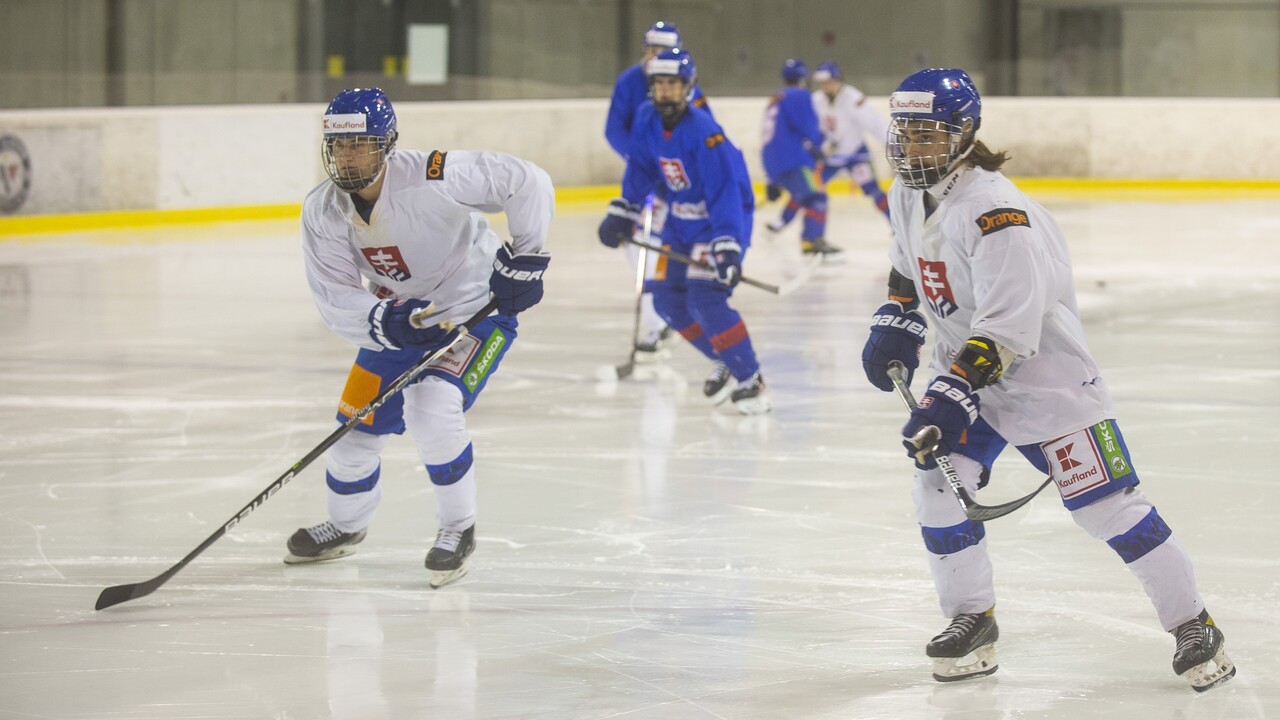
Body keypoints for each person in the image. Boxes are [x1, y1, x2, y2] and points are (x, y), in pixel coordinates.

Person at [860, 68, 1236, 692]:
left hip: (1046, 385)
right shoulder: (908, 192)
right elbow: (908, 264)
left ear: (963, 134)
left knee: (1109, 509)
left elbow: (1007, 330)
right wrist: (898, 315)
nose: (911, 147)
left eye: (927, 134)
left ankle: (1194, 624)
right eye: (905, 133)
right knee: (937, 487)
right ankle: (972, 620)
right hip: (966, 377)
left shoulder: (996, 214)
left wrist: (950, 394)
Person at [287, 87, 554, 589]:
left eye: (359, 144)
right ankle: (346, 525)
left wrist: (527, 258)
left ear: (386, 145)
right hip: (401, 324)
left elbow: (526, 180)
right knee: (353, 433)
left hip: (473, 314)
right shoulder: (323, 210)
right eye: (339, 146)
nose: (347, 157)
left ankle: (458, 528)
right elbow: (334, 294)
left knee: (432, 407)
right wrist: (384, 321)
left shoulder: (430, 174)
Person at [598, 48, 770, 415]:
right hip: (679, 224)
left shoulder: (705, 133)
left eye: (673, 84)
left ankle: (751, 378)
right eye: (659, 83)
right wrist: (625, 209)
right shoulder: (646, 118)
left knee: (705, 299)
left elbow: (726, 192)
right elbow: (642, 167)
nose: (666, 90)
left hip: (718, 224)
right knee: (667, 301)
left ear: (687, 87)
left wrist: (727, 245)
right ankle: (725, 357)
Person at [604, 21, 711, 362]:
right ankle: (660, 321)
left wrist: (670, 162)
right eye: (652, 49)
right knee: (636, 248)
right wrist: (644, 159)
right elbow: (614, 129)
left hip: (677, 182)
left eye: (663, 50)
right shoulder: (629, 82)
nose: (656, 56)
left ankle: (664, 319)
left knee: (657, 248)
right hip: (646, 177)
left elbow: (704, 129)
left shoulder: (685, 84)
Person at [769, 60, 889, 232]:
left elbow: (874, 123)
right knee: (806, 188)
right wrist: (818, 146)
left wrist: (891, 142)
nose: (825, 86)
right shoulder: (816, 100)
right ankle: (782, 221)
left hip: (855, 154)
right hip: (829, 157)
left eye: (828, 82)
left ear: (838, 79)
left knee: (873, 190)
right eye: (822, 83)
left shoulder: (853, 98)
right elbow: (811, 128)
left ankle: (896, 224)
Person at [760, 59, 839, 257]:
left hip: (774, 162)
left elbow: (771, 135)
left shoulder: (777, 97)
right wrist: (820, 146)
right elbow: (809, 128)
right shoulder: (799, 95)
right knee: (815, 197)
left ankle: (802, 235)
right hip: (793, 160)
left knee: (803, 194)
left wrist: (772, 178)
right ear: (804, 78)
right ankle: (811, 241)